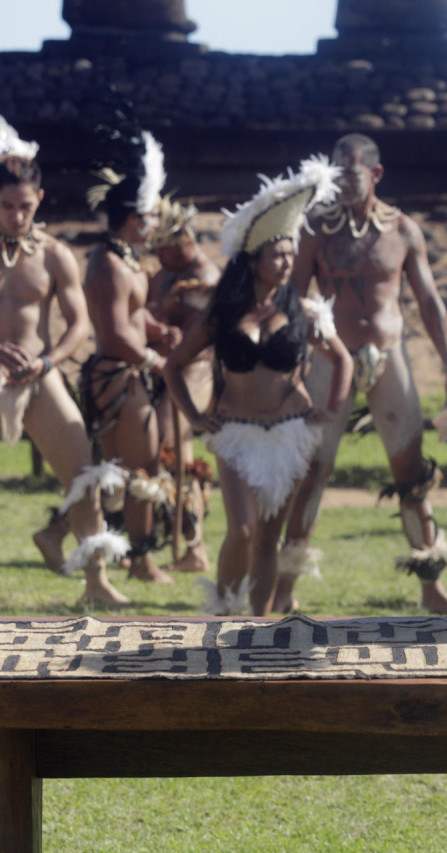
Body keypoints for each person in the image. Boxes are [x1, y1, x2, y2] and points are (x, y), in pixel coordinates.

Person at [285, 133, 447, 615]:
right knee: (312, 471)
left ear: (376, 174)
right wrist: (289, 365)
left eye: (353, 172)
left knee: (411, 473)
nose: (344, 181)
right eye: (337, 171)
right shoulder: (314, 229)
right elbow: (288, 298)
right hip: (329, 359)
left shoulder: (403, 230)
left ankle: (431, 586)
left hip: (390, 355)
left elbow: (429, 303)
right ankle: (285, 586)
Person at [164, 156, 352, 616]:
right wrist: (192, 415)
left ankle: (258, 624)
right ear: (253, 260)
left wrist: (331, 408)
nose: (287, 262)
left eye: (291, 252)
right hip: (234, 432)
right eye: (277, 254)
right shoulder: (222, 314)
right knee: (242, 530)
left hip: (292, 431)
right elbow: (174, 365)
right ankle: (224, 607)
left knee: (269, 535)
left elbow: (342, 359)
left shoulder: (305, 311)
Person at [0, 114, 131, 604]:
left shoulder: (54, 254)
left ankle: (96, 581)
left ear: (40, 201)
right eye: (7, 206)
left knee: (84, 476)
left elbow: (79, 323)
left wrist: (49, 361)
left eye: (25, 207)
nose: (17, 216)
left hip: (38, 373)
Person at [81, 111, 178, 586]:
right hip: (119, 374)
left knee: (129, 469)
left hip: (128, 370)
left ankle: (108, 548)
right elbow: (118, 332)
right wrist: (153, 358)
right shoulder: (111, 266)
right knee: (143, 469)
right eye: (153, 214)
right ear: (135, 216)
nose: (157, 222)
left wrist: (159, 330)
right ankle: (140, 560)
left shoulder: (124, 259)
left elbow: (136, 320)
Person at [147, 194, 221, 573]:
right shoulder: (166, 272)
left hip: (194, 373)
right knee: (171, 454)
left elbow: (197, 338)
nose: (158, 257)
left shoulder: (205, 278)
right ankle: (188, 544)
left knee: (173, 451)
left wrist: (161, 322)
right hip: (162, 370)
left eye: (164, 250)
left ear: (183, 243)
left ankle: (195, 548)